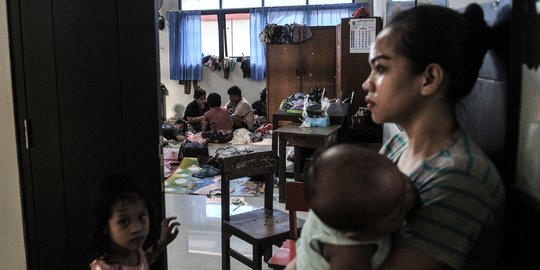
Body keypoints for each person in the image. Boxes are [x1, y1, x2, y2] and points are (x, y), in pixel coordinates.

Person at [360, 4, 505, 270]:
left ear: (429, 78)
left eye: (380, 69)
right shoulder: (399, 144)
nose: (366, 83)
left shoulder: (459, 178)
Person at [287, 144, 418, 270]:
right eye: (398, 211)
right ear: (361, 235)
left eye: (402, 179)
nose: (409, 196)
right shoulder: (349, 253)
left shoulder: (336, 209)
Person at [89, 174, 180, 270]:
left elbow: (142, 263)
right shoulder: (104, 267)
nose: (137, 228)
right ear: (104, 226)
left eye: (141, 217)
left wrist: (161, 243)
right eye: (124, 221)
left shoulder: (133, 248)